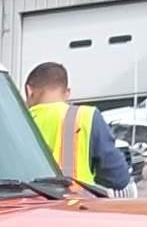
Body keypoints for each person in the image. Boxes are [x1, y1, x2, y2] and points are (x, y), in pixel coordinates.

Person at [24, 63, 135, 195]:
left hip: (21, 209)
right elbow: (118, 179)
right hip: (77, 209)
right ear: (67, 92)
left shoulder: (15, 121)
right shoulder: (86, 117)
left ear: (28, 90)